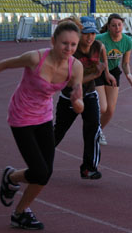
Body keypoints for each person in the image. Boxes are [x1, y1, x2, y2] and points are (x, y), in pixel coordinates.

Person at [0, 21, 84, 230]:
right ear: (53, 41)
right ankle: (14, 187)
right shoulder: (35, 58)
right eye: (64, 43)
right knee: (40, 171)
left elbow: (79, 107)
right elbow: (2, 65)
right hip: (21, 116)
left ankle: (17, 202)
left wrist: (76, 102)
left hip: (44, 117)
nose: (68, 49)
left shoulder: (76, 67)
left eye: (73, 45)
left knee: (45, 173)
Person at [54, 16, 105, 180]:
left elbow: (102, 56)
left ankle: (89, 168)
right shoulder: (71, 51)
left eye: (93, 33)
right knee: (58, 131)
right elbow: (70, 83)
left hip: (89, 95)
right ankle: (39, 158)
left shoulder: (97, 46)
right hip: (69, 97)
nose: (90, 38)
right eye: (86, 34)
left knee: (93, 129)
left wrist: (108, 74)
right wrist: (96, 75)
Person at [95, 13, 132, 145]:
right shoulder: (100, 38)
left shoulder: (127, 41)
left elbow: (125, 63)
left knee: (110, 111)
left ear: (123, 25)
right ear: (109, 27)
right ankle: (95, 130)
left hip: (114, 71)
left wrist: (129, 74)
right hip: (98, 71)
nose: (117, 27)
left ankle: (98, 131)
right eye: (113, 25)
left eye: (119, 25)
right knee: (103, 107)